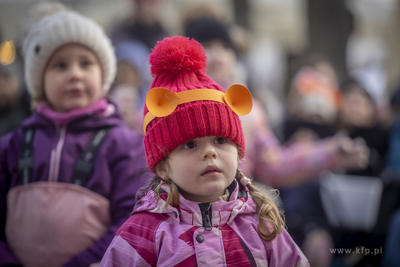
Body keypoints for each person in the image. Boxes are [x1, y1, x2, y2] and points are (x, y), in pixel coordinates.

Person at [99, 36, 310, 266]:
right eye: (190, 144)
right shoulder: (141, 234)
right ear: (163, 165)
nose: (210, 152)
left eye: (220, 140)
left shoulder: (262, 224)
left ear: (238, 153)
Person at [0, 9, 150, 267]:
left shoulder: (126, 146)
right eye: (60, 65)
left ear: (104, 75)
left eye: (86, 63)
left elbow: (131, 218)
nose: (75, 74)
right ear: (39, 80)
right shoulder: (12, 145)